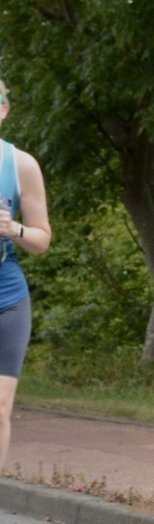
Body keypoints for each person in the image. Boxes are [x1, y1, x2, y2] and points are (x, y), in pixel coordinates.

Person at [0, 79, 52, 473]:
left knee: (0, 406)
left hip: (7, 296)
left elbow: (41, 238)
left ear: (4, 110)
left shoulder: (20, 165)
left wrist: (13, 229)